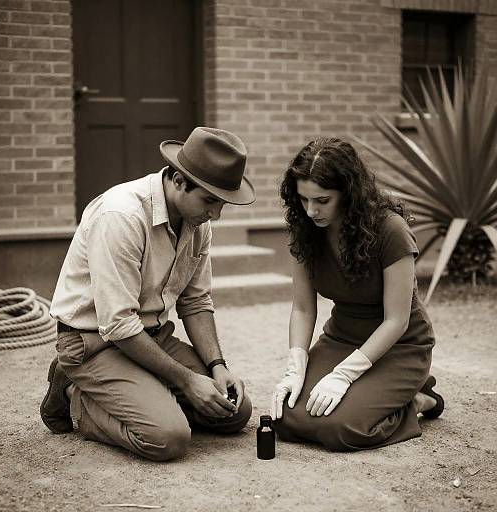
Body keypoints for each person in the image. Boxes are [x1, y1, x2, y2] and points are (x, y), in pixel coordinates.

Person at [40, 127, 255, 461]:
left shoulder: (197, 222)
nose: (215, 214)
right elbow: (119, 325)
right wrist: (186, 381)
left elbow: (195, 301)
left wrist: (217, 366)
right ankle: (72, 394)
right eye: (210, 200)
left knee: (233, 412)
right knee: (167, 438)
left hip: (151, 337)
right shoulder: (120, 215)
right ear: (179, 180)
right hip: (94, 342)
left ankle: (145, 391)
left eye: (222, 203)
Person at [270, 137, 444, 451]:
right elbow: (303, 309)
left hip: (399, 346)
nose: (311, 210)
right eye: (304, 199)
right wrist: (296, 366)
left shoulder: (390, 230)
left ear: (348, 194)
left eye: (322, 200)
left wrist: (345, 375)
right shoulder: (305, 229)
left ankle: (419, 400)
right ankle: (385, 397)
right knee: (286, 417)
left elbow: (396, 321)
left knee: (342, 429)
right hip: (342, 339)